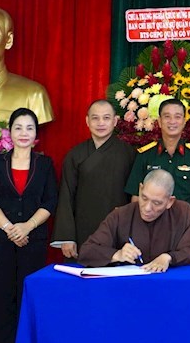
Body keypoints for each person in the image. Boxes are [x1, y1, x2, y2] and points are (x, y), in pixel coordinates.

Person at [0, 107, 58, 343]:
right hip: (0, 242)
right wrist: (10, 228)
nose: (24, 133)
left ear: (36, 134)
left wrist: (27, 226)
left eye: (29, 128)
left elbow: (50, 201)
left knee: (29, 297)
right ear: (10, 132)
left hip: (33, 242)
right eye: (18, 128)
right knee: (2, 300)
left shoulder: (45, 164)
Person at [51, 99, 137, 260]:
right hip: (82, 230)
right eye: (95, 118)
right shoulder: (75, 155)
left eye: (106, 118)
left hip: (118, 229)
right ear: (87, 121)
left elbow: (135, 197)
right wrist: (67, 237)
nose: (100, 123)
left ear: (115, 121)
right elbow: (66, 195)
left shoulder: (129, 154)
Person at [123, 98, 190, 249]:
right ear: (160, 122)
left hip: (184, 231)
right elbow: (136, 196)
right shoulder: (145, 155)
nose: (172, 121)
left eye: (177, 116)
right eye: (167, 116)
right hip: (150, 229)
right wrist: (135, 229)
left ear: (184, 122)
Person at [79, 169, 190, 272]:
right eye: (144, 198)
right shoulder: (121, 215)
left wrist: (169, 257)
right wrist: (116, 254)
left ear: (170, 201)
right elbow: (87, 251)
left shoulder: (182, 213)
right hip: (129, 285)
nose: (147, 208)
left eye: (156, 203)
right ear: (140, 189)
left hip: (168, 285)